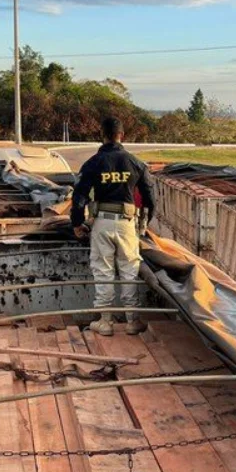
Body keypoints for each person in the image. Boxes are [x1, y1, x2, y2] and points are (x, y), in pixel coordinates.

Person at [71, 116, 155, 336]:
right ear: (122, 135)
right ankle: (132, 321)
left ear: (103, 135)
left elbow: (79, 196)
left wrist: (77, 223)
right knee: (129, 271)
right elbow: (149, 198)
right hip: (127, 224)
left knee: (103, 270)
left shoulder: (93, 163)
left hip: (101, 223)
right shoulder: (136, 163)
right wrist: (144, 225)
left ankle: (105, 322)